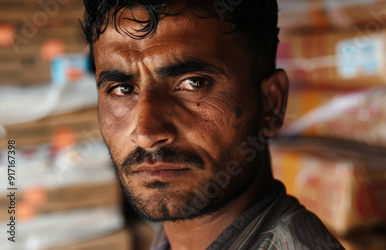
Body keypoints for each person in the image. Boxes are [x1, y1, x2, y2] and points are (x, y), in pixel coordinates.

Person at [82, 0, 344, 249]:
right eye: (122, 89)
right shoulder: (175, 234)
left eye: (193, 83)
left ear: (271, 105)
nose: (146, 134)